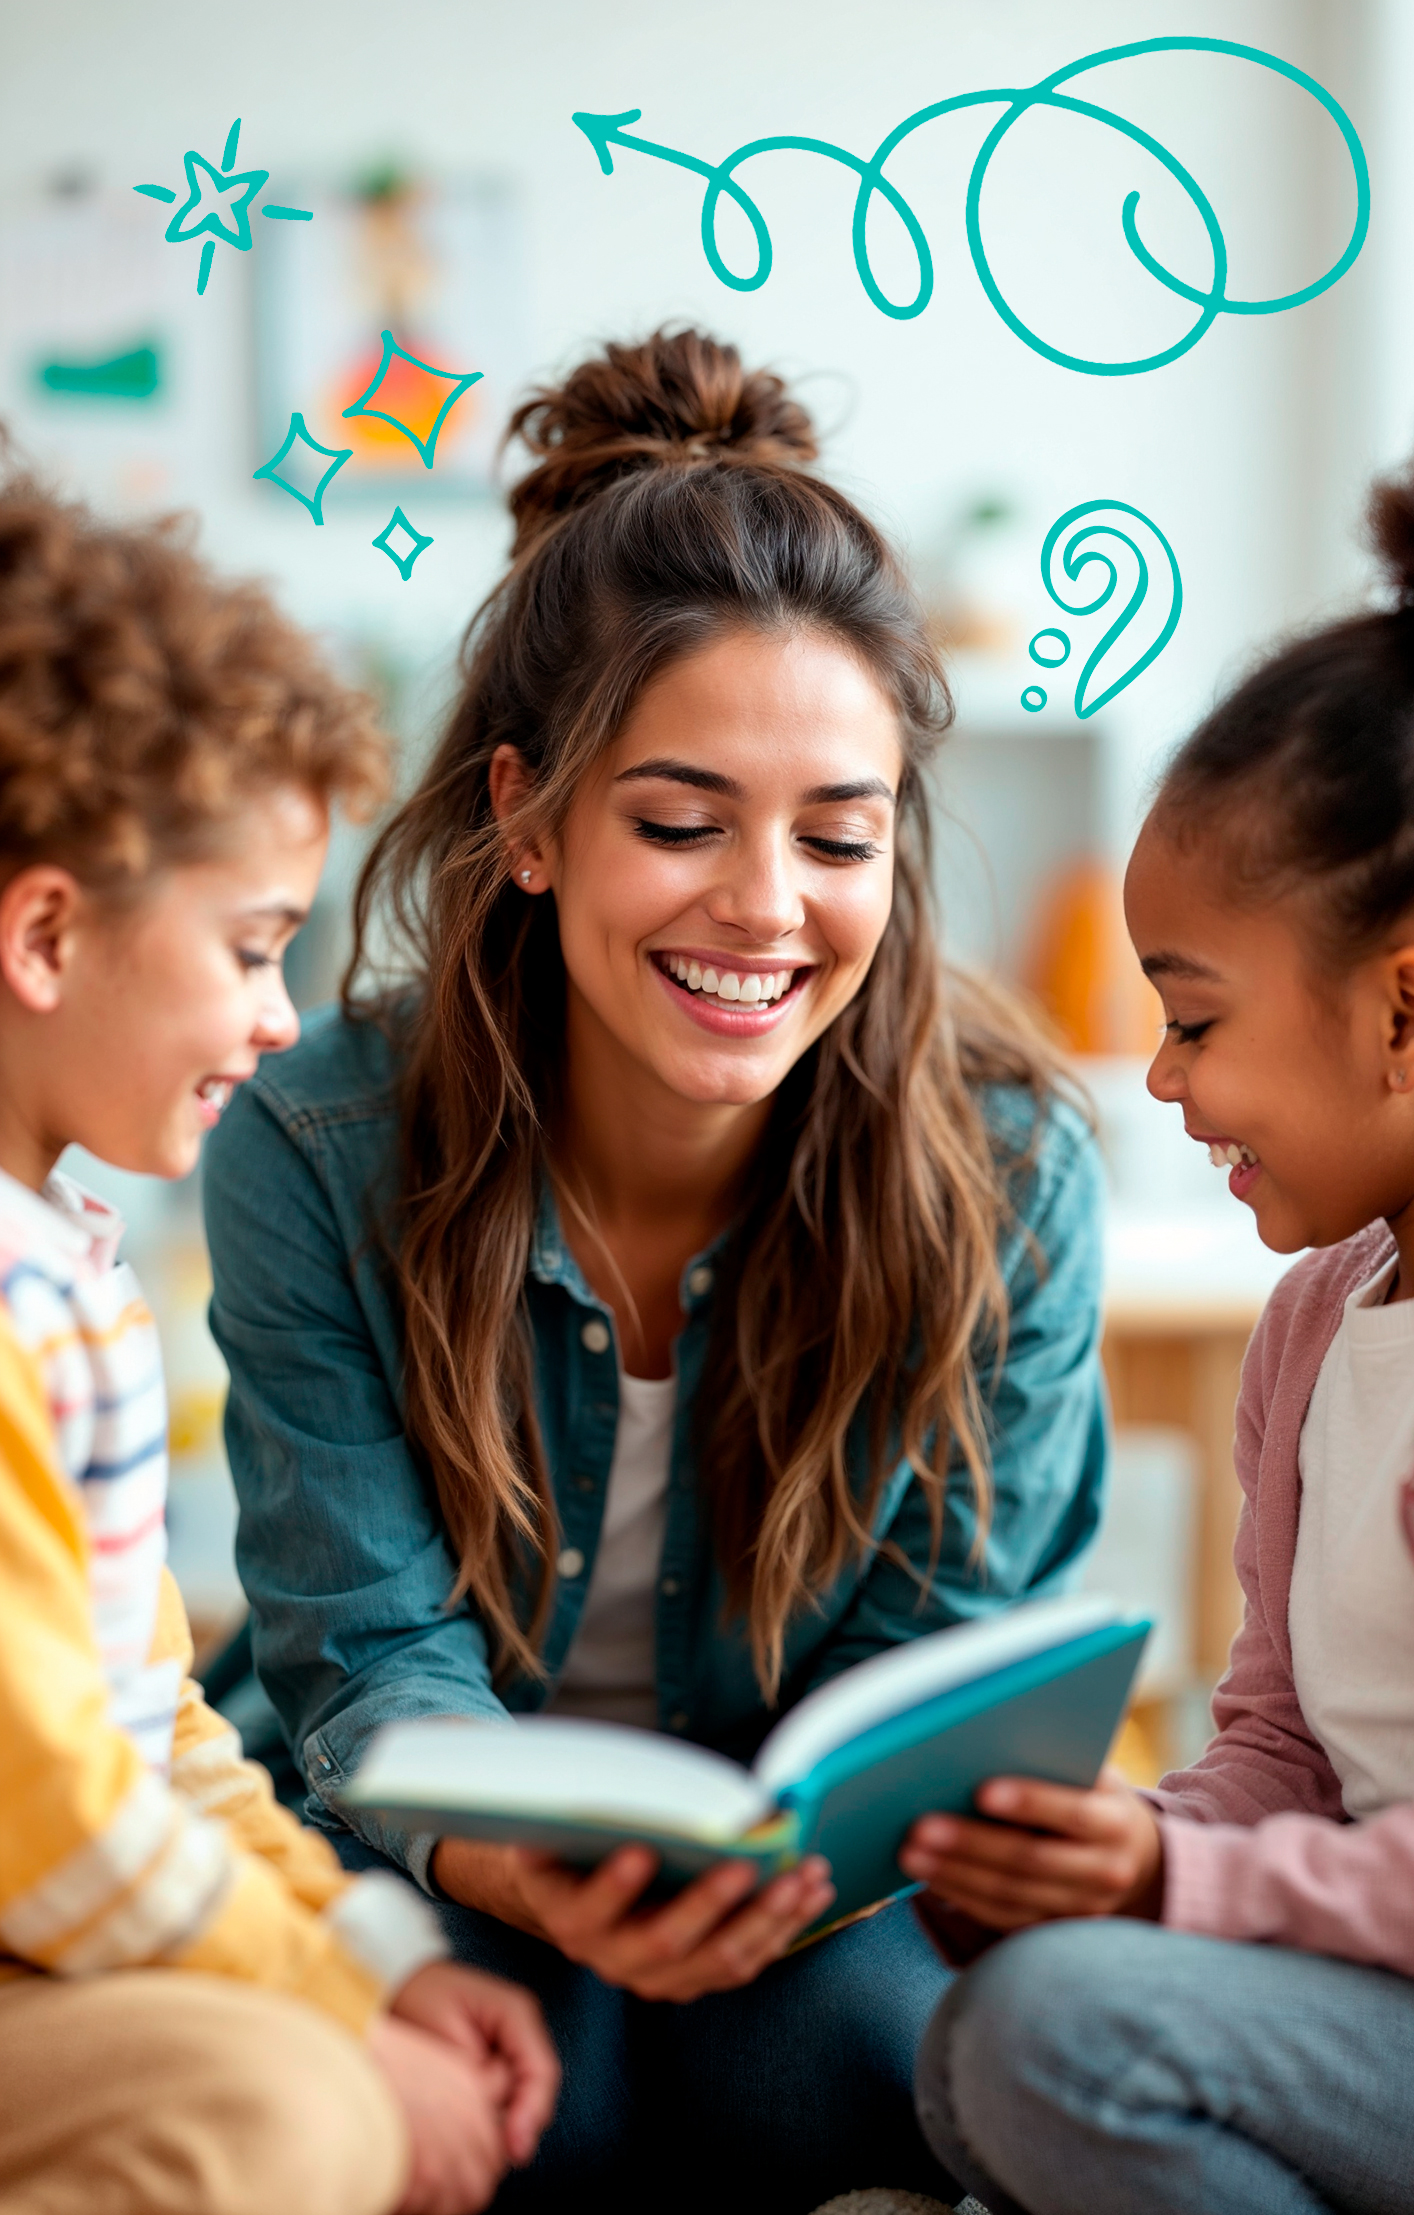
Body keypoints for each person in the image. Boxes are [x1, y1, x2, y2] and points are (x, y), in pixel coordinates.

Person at [203, 326, 1108, 2214]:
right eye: (681, 823)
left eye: (837, 836)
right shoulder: (316, 1138)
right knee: (409, 2107)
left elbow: (927, 1669)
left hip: (799, 1891)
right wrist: (525, 1883)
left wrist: (773, 1885)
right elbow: (363, 1657)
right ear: (526, 815)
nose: (766, 906)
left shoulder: (1008, 1172)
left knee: (918, 2080)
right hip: (420, 1844)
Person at [908, 416, 1414, 2215]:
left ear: (1407, 1019)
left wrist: (1175, 1900)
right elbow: (1282, 1754)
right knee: (977, 2027)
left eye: (1197, 1018)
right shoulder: (1318, 1324)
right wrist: (1116, 1846)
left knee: (1063, 2039)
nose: (1156, 1076)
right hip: (1396, 2005)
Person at [0, 470, 559, 2215]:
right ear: (45, 933)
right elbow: (64, 1820)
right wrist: (333, 2007)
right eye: (249, 948)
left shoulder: (69, 1273)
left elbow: (152, 1729)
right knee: (298, 2113)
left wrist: (376, 1953)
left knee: (316, 2078)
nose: (279, 1013)